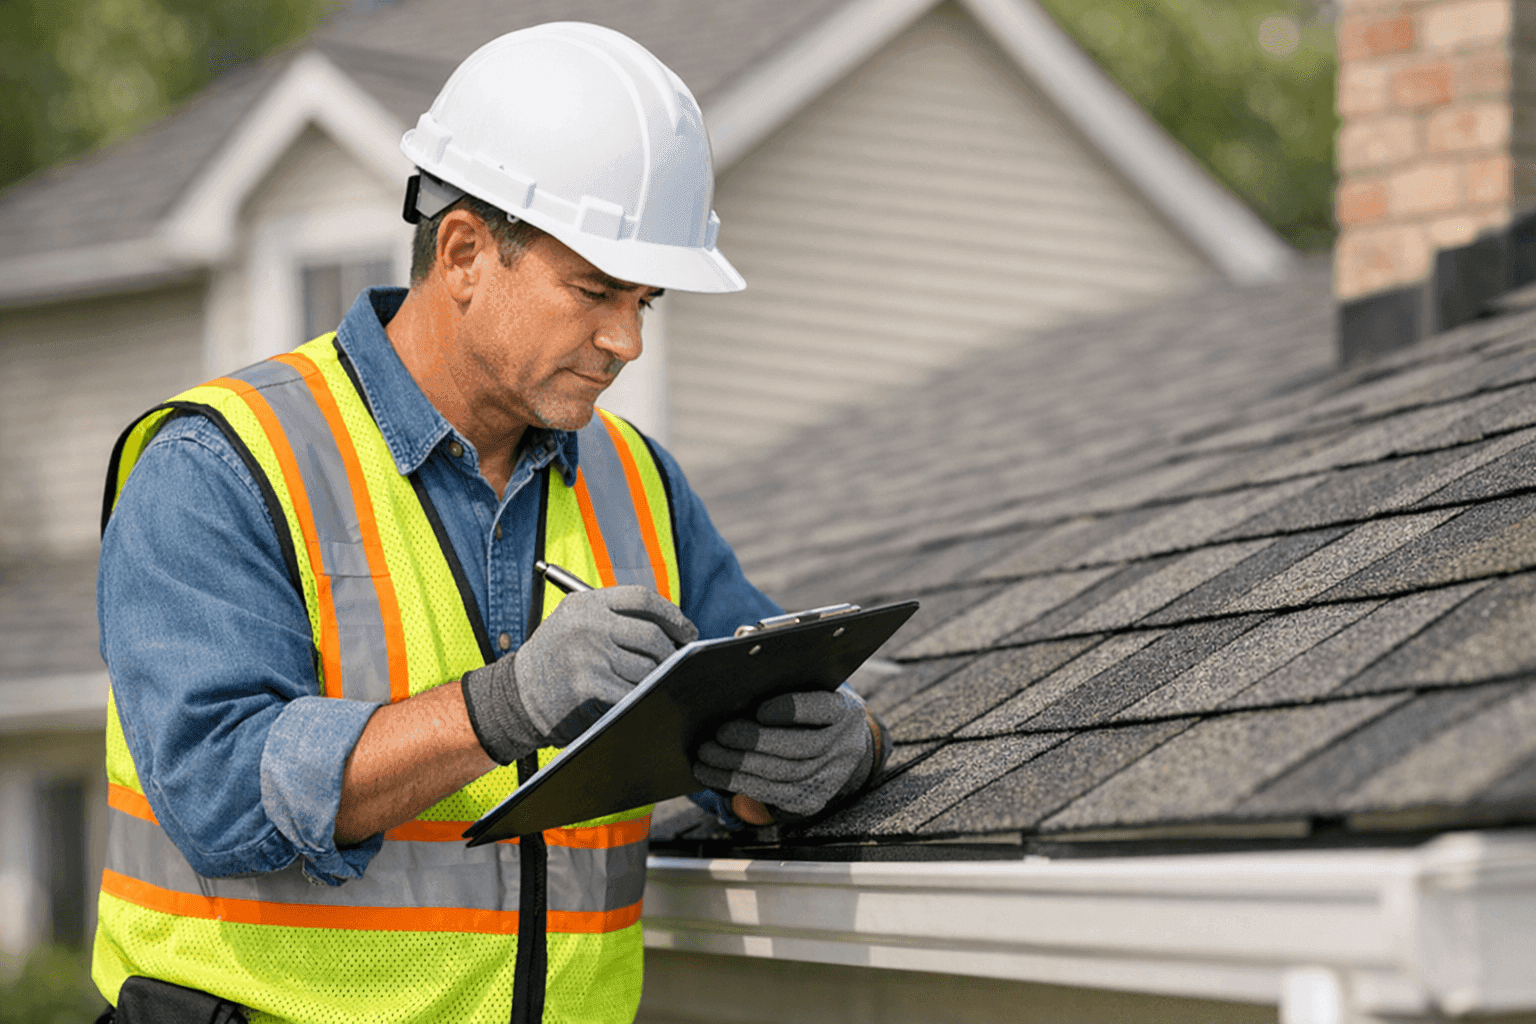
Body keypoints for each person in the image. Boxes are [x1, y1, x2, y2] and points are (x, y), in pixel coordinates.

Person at [91, 23, 889, 1024]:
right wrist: (502, 705)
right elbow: (219, 788)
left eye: (646, 300)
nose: (627, 340)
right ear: (464, 252)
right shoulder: (223, 463)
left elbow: (760, 700)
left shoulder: (638, 482)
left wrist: (831, 751)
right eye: (595, 291)